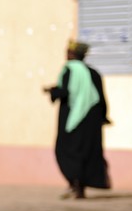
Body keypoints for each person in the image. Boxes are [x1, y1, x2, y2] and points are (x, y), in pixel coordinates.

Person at [44, 40, 109, 200]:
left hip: (72, 119)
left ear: (72, 54)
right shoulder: (93, 73)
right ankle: (79, 188)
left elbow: (66, 92)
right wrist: (103, 117)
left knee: (67, 151)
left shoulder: (69, 69)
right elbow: (101, 98)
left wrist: (52, 91)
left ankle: (75, 184)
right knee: (87, 152)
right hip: (91, 120)